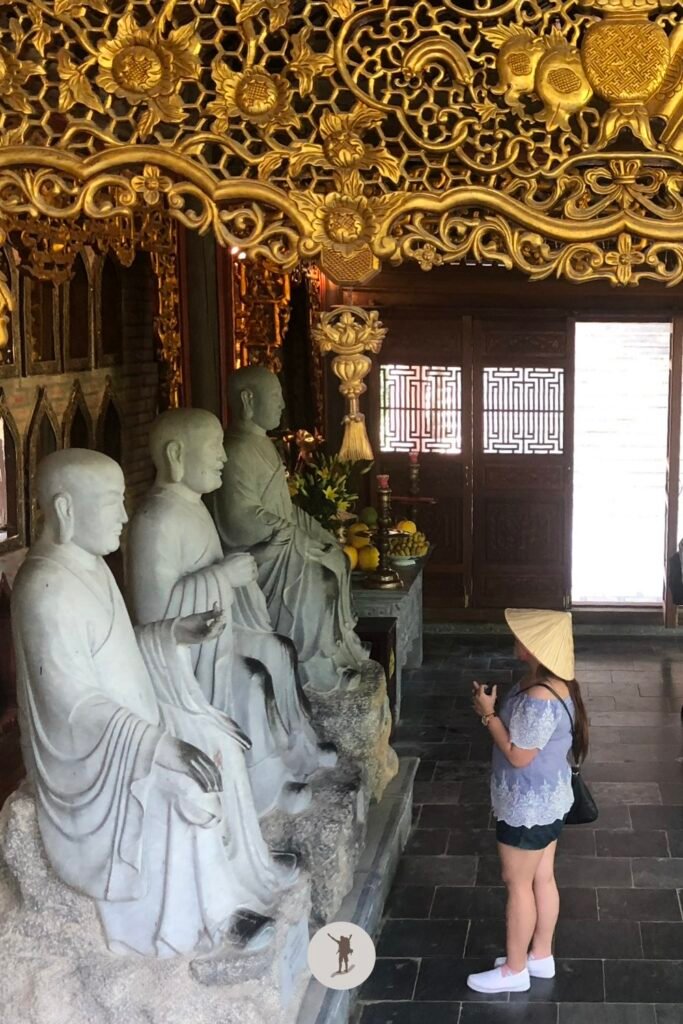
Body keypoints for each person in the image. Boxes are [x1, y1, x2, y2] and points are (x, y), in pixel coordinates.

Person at [11, 449, 296, 957]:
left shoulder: (89, 567)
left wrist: (170, 634)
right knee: (185, 779)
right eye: (113, 503)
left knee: (218, 739)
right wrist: (157, 745)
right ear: (65, 510)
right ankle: (209, 920)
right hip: (93, 757)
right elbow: (71, 704)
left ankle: (241, 874)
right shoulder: (45, 588)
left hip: (132, 725)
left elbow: (119, 653)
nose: (124, 515)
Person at [127, 408, 335, 818]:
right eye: (214, 448)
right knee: (252, 678)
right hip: (186, 659)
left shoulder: (192, 506)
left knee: (278, 649)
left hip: (217, 633)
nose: (224, 457)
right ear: (175, 455)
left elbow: (214, 574)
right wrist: (222, 575)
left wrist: (247, 562)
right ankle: (263, 787)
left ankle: (296, 749)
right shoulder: (157, 519)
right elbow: (155, 618)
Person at [212, 366, 369, 695]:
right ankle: (313, 669)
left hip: (286, 544)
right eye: (275, 397)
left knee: (337, 558)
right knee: (320, 578)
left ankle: (339, 650)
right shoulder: (237, 450)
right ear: (247, 400)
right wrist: (297, 536)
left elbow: (283, 506)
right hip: (266, 555)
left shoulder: (263, 445)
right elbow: (241, 516)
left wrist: (315, 530)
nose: (282, 404)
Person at [466, 608, 589, 994]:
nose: (514, 639)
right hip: (547, 801)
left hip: (528, 806)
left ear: (536, 646)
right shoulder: (553, 684)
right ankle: (540, 956)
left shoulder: (539, 695)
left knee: (516, 883)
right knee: (541, 877)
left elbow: (519, 755)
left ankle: (515, 970)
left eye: (520, 635)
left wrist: (488, 716)